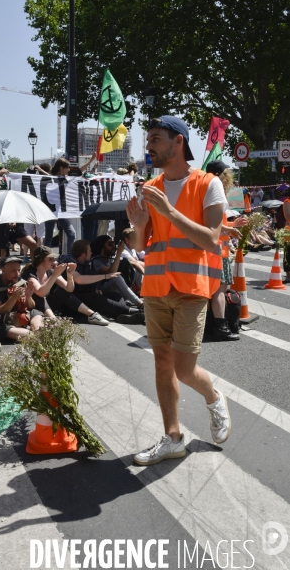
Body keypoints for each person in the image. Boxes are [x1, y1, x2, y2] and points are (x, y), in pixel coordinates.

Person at [126, 115, 231, 466]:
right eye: (149, 139)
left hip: (190, 287)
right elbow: (142, 245)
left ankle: (214, 397)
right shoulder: (150, 187)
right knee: (162, 363)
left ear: (178, 143)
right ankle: (173, 438)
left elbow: (212, 239)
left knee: (185, 369)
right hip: (155, 285)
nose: (149, 146)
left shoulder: (208, 183)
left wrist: (168, 211)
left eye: (156, 139)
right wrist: (140, 226)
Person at [206, 160, 247, 341]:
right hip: (218, 252)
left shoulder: (206, 191)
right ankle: (220, 327)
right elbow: (213, 225)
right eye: (226, 174)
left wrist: (232, 225)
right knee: (220, 291)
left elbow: (215, 225)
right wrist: (230, 228)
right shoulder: (215, 193)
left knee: (213, 291)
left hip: (212, 250)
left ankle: (213, 325)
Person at [60, 240, 145, 324]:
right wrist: (105, 276)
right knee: (97, 298)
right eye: (89, 251)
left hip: (86, 293)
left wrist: (95, 288)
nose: (91, 253)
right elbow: (79, 279)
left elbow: (90, 277)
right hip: (74, 299)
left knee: (116, 296)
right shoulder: (69, 262)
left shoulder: (86, 262)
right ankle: (131, 311)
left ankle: (123, 315)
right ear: (83, 255)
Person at [22, 246, 109, 325]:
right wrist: (55, 275)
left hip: (48, 306)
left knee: (62, 291)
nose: (54, 261)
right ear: (41, 260)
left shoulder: (50, 272)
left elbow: (69, 289)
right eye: (50, 259)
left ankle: (91, 314)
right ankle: (53, 319)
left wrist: (70, 275)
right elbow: (41, 293)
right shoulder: (30, 273)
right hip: (32, 307)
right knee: (39, 296)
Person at [0, 256, 42, 340]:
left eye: (18, 270)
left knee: (36, 313)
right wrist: (13, 298)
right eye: (13, 271)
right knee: (28, 335)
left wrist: (28, 297)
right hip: (0, 321)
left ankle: (37, 332)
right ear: (3, 270)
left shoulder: (19, 281)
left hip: (18, 316)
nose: (17, 274)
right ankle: (34, 335)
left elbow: (31, 307)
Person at [90, 235, 144, 307]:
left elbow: (132, 263)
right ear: (102, 247)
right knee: (116, 277)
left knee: (135, 269)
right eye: (110, 244)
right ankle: (139, 303)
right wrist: (118, 252)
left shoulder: (110, 258)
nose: (113, 246)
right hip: (102, 290)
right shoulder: (96, 261)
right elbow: (111, 273)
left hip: (115, 288)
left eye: (113, 243)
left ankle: (148, 294)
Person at [44, 158, 76, 253]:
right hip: (50, 210)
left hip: (61, 211)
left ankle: (68, 257)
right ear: (61, 168)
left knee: (72, 234)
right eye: (67, 168)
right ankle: (46, 258)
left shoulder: (65, 178)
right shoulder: (49, 179)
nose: (69, 170)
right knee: (49, 236)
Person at [120, 227, 145, 291]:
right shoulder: (122, 250)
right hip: (127, 278)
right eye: (135, 239)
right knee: (136, 266)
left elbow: (146, 256)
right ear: (127, 240)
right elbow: (134, 262)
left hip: (136, 277)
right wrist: (147, 272)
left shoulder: (133, 248)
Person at [283, 193, 290, 283]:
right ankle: (288, 274)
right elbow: (288, 216)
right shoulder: (287, 202)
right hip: (289, 231)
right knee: (288, 253)